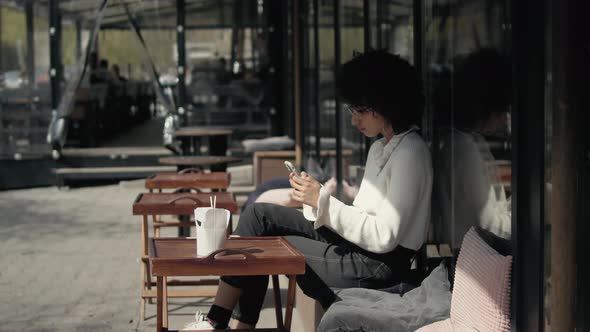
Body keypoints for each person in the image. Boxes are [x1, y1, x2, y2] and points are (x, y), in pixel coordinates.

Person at [184, 50, 433, 330]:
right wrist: (314, 200)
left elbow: (384, 236)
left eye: (360, 110)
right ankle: (217, 319)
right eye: (352, 110)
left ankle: (223, 324)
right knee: (257, 216)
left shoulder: (411, 152)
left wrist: (323, 200)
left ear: (386, 104)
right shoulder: (381, 147)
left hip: (377, 266)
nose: (354, 120)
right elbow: (362, 217)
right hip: (358, 247)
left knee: (265, 248)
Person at [434, 49, 512, 249]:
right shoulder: (464, 149)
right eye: (502, 110)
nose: (504, 119)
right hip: (476, 258)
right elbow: (490, 224)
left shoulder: (463, 141)